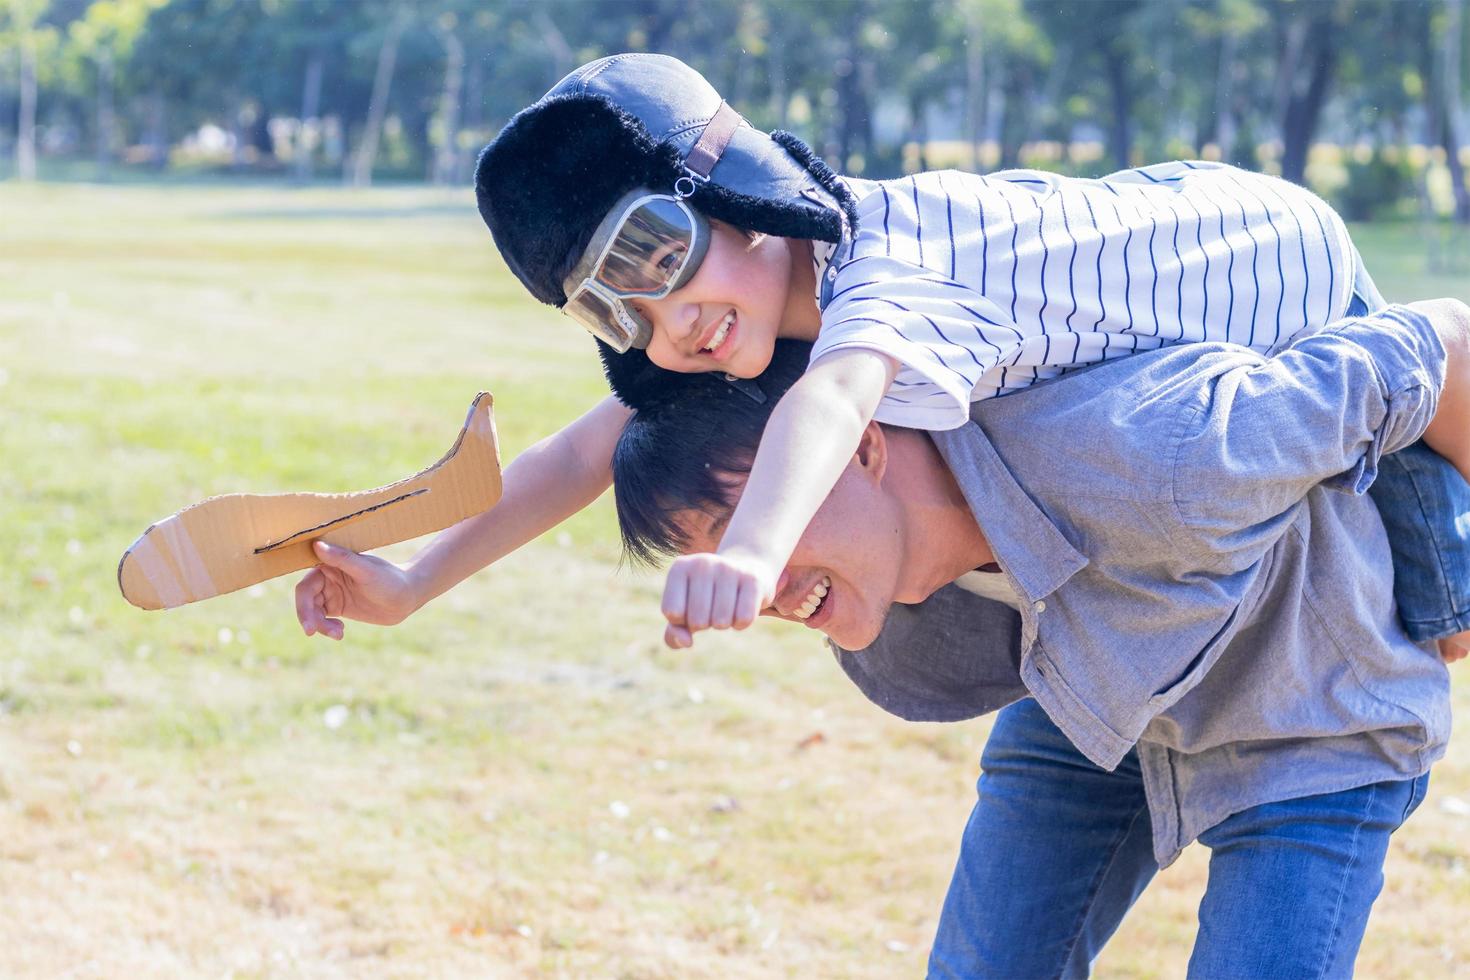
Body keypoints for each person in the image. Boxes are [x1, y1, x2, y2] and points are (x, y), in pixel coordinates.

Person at [293, 52, 1470, 667]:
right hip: (1178, 282)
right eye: (615, 314)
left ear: (737, 195)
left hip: (1276, 271)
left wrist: (753, 553)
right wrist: (408, 585)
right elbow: (588, 450)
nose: (666, 324)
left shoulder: (877, 263)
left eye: (652, 251)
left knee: (1441, 600)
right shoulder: (756, 308)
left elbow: (836, 398)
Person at [607, 297, 1470, 977]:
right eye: (716, 560)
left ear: (856, 448)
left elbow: (1439, 341)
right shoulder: (890, 638)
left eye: (758, 528)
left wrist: (1450, 563)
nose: (755, 587)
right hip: (1094, 696)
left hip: (1313, 718)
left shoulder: (1164, 456)